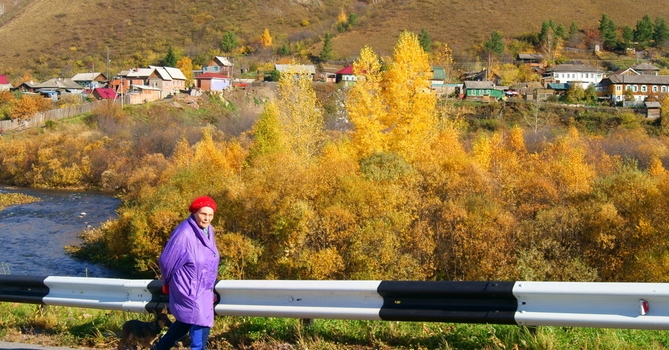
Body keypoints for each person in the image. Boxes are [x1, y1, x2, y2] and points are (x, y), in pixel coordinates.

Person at [153, 196, 220, 350]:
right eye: (203, 214)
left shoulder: (208, 230)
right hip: (188, 288)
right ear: (195, 212)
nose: (207, 218)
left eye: (210, 215)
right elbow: (166, 261)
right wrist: (167, 281)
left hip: (203, 287)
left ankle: (159, 348)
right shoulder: (184, 233)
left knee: (185, 321)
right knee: (200, 321)